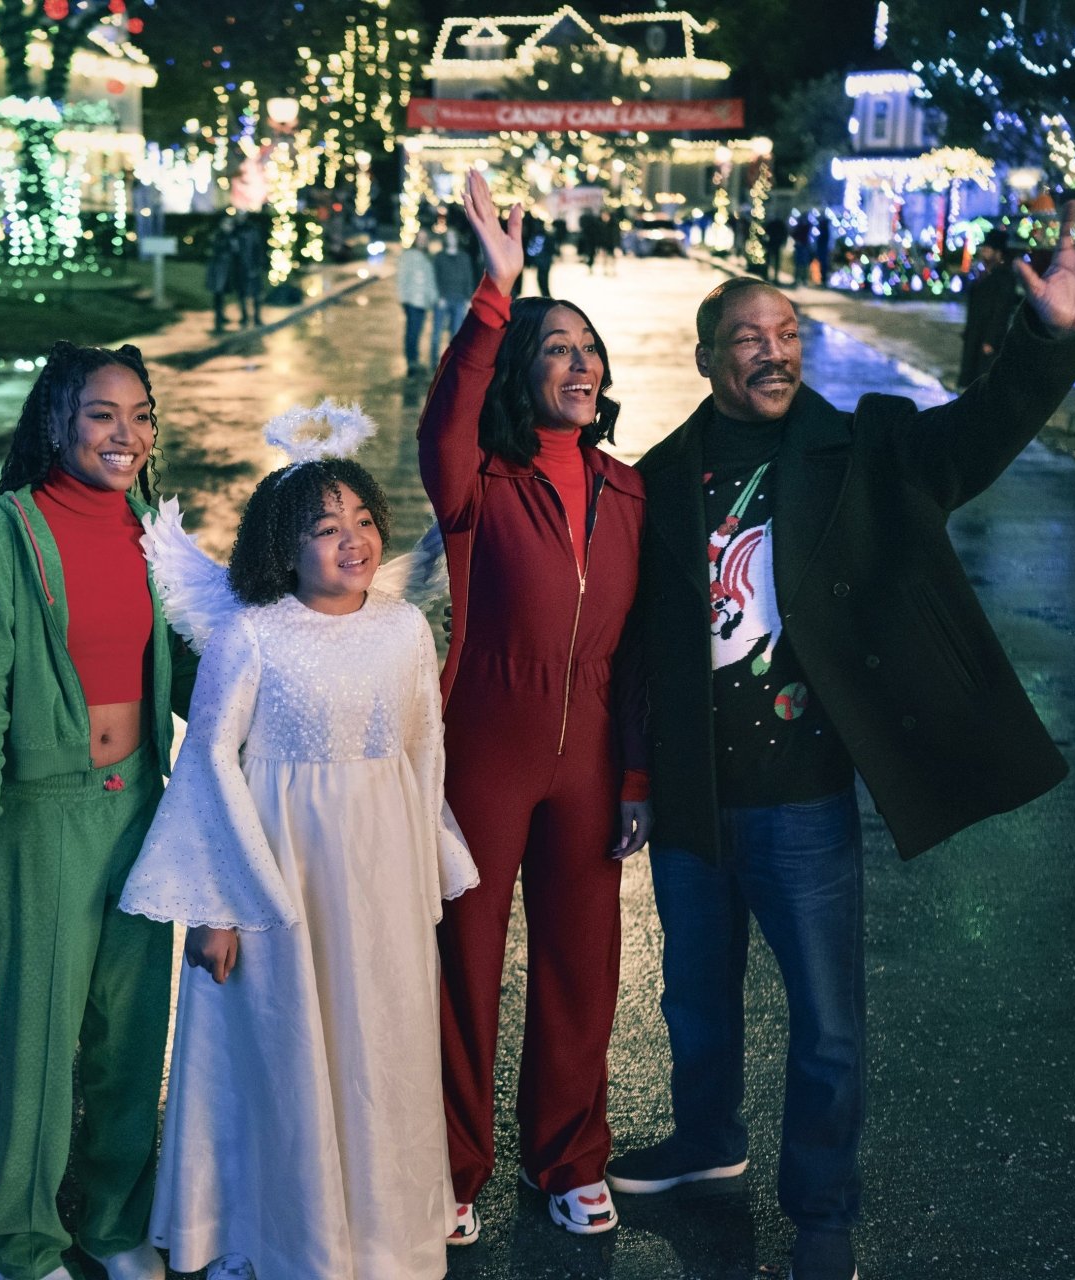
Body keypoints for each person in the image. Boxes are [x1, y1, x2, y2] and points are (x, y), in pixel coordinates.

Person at [610, 199, 1075, 1280]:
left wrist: (1054, 338)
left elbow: (981, 431)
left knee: (829, 1020)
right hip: (695, 793)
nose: (774, 351)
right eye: (749, 337)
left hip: (803, 794)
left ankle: (824, 1208)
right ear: (706, 357)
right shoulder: (657, 478)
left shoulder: (866, 448)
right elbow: (631, 645)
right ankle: (708, 1142)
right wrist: (633, 774)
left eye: (788, 334)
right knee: (693, 996)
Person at [122, 404, 478, 1279]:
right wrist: (219, 905)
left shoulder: (401, 628)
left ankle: (382, 1233)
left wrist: (424, 864)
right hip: (277, 880)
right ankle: (282, 1233)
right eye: (325, 527)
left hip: (381, 876)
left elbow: (423, 744)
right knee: (284, 1050)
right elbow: (208, 758)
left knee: (379, 1048)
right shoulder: (251, 637)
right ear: (284, 548)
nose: (351, 539)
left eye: (362, 520)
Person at [0, 343, 198, 1280]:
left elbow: (189, 667)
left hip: (142, 803)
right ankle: (17, 1241)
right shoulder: (6, 534)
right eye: (103, 414)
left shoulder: (151, 529)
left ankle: (113, 1221)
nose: (127, 435)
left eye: (141, 415)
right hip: (44, 815)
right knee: (43, 1041)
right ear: (57, 421)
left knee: (132, 1040)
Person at [421, 168, 651, 1243]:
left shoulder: (630, 488)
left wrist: (637, 773)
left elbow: (648, 646)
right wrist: (494, 294)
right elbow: (445, 425)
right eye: (558, 348)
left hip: (593, 750)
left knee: (581, 963)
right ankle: (453, 1165)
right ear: (525, 367)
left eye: (589, 350)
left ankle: (570, 1154)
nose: (581, 363)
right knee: (463, 962)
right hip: (486, 746)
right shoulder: (483, 481)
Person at [959, 228, 1022, 387]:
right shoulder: (984, 273)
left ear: (998, 253)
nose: (983, 252)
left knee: (983, 380)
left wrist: (991, 341)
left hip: (987, 339)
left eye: (988, 249)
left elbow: (1002, 311)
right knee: (971, 381)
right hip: (975, 334)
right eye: (984, 248)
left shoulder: (1004, 277)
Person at [430, 232, 477, 360]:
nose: (451, 240)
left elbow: (468, 278)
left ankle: (451, 362)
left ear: (457, 239)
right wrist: (439, 296)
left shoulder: (464, 257)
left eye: (453, 237)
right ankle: (434, 362)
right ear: (445, 239)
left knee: (456, 333)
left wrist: (468, 298)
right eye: (448, 237)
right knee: (437, 333)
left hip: (460, 299)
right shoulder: (439, 257)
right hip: (443, 299)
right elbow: (434, 277)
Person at [398, 231, 439, 374]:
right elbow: (402, 278)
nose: (422, 241)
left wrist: (434, 298)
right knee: (412, 332)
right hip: (412, 301)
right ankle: (411, 362)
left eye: (425, 239)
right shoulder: (408, 255)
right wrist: (403, 298)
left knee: (417, 331)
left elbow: (431, 280)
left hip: (424, 302)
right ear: (416, 240)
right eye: (420, 238)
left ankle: (414, 360)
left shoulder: (428, 257)